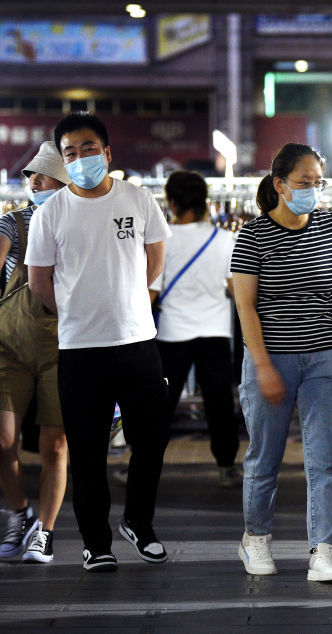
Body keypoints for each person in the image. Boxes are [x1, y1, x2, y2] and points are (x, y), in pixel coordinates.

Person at [25, 112, 172, 572]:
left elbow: (155, 260)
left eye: (89, 149)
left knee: (150, 441)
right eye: (71, 153)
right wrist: (75, 310)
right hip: (79, 349)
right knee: (87, 450)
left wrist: (124, 301)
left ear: (107, 153)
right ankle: (96, 542)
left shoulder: (138, 198)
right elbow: (38, 282)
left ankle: (139, 524)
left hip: (137, 342)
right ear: (63, 161)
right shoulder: (50, 214)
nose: (81, 158)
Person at [231, 143, 332, 583]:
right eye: (305, 183)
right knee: (265, 456)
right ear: (279, 184)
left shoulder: (331, 226)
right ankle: (255, 537)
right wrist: (261, 366)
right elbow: (246, 308)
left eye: (319, 183)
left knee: (326, 460)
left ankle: (323, 550)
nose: (313, 190)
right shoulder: (253, 236)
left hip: (324, 357)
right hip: (271, 356)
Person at [0, 142, 70, 563]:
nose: (35, 182)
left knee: (55, 444)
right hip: (8, 344)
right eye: (32, 176)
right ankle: (18, 511)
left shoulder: (81, 224)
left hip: (65, 345)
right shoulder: (14, 223)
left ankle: (44, 528)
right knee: (2, 439)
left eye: (44, 175)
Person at [150, 170, 241, 488]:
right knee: (219, 403)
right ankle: (227, 466)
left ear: (171, 202)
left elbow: (151, 292)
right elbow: (236, 290)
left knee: (162, 404)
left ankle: (147, 465)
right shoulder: (224, 239)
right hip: (215, 331)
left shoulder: (162, 241)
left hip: (173, 333)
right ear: (204, 201)